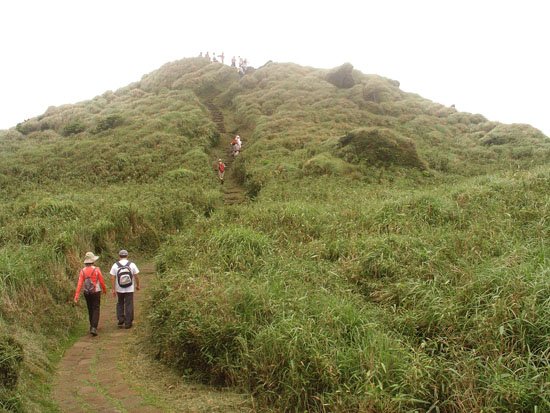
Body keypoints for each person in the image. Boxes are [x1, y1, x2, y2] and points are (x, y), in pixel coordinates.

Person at [74, 252, 107, 336]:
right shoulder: (96, 269)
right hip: (96, 291)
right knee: (96, 308)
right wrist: (104, 289)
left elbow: (79, 284)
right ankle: (94, 327)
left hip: (87, 292)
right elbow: (101, 281)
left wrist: (76, 296)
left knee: (90, 308)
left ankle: (91, 325)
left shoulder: (82, 271)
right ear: (93, 261)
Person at [110, 249, 140, 329]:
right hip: (129, 288)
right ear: (127, 256)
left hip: (119, 288)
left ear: (119, 256)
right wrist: (138, 285)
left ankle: (120, 320)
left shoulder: (115, 265)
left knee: (120, 303)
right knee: (129, 304)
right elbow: (136, 276)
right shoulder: (132, 264)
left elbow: (112, 278)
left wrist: (113, 289)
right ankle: (128, 323)